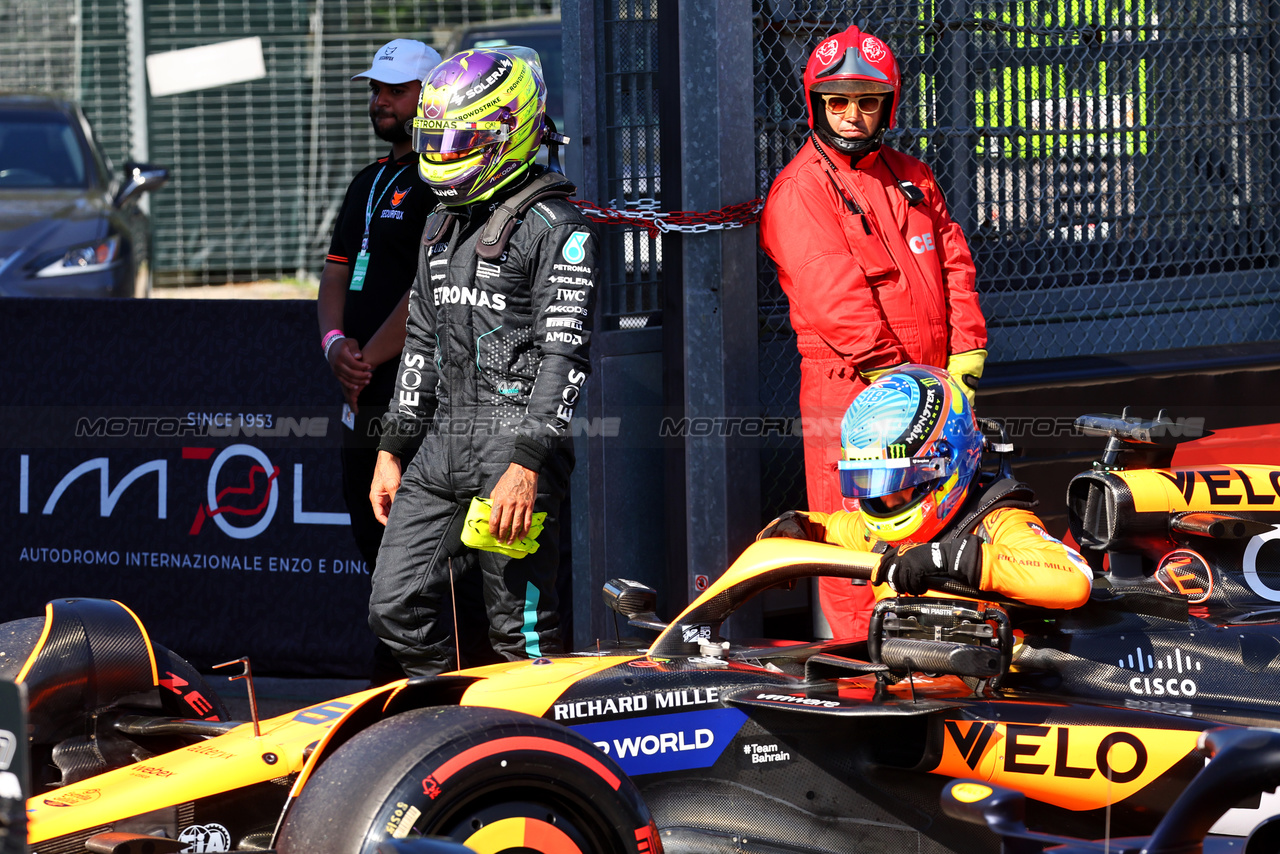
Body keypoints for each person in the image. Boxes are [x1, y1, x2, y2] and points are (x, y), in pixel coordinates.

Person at [367, 47, 597, 676]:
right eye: (434, 142)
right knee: (394, 605)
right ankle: (454, 720)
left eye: (457, 141)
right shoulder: (440, 223)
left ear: (508, 132)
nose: (442, 157)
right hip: (441, 442)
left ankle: (543, 760)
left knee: (520, 638)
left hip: (515, 446)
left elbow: (565, 356)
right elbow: (419, 340)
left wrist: (527, 464)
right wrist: (393, 447)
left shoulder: (557, 227)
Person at [758, 25, 989, 638]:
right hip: (857, 397)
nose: (853, 115)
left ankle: (936, 668)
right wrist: (897, 378)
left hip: (930, 388)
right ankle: (861, 680)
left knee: (938, 538)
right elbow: (832, 295)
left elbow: (955, 262)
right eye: (839, 101)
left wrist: (966, 347)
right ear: (816, 104)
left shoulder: (911, 175)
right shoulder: (802, 189)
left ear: (886, 104)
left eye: (867, 101)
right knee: (860, 545)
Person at [760, 366, 1092, 613]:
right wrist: (795, 526)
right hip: (909, 683)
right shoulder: (876, 531)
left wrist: (948, 558)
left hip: (995, 694)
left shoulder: (998, 522)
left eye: (898, 483)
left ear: (945, 465)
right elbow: (824, 527)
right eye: (869, 481)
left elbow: (1074, 579)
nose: (885, 499)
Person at [316, 38, 441, 684]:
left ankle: (409, 679)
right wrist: (336, 346)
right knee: (369, 533)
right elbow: (335, 275)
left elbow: (432, 285)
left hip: (415, 397)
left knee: (416, 548)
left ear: (431, 92)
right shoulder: (368, 180)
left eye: (396, 89)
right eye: (377, 89)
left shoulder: (443, 179)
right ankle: (395, 673)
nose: (381, 100)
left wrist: (371, 354)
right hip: (360, 394)